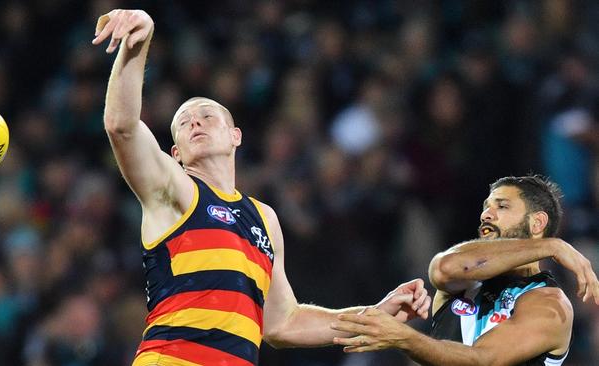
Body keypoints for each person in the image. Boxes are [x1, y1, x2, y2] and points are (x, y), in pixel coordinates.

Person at [91, 9, 431, 366]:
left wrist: (374, 314)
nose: (195, 123)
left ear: (235, 136)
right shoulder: (175, 192)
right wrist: (136, 45)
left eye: (207, 115)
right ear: (175, 154)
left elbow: (284, 323)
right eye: (184, 124)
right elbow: (121, 126)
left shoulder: (264, 219)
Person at [331, 175, 599, 365]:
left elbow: (484, 360)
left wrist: (404, 339)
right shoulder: (465, 278)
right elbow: (445, 266)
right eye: (486, 207)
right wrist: (551, 247)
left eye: (502, 206)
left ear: (538, 222)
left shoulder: (550, 304)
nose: (486, 214)